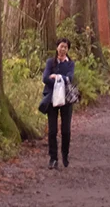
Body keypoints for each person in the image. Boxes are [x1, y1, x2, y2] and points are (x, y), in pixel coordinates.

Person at [41, 38, 75, 169]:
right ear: (57, 48)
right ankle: (53, 158)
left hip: (66, 99)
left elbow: (70, 78)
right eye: (61, 46)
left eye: (65, 47)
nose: (63, 49)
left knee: (66, 130)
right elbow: (45, 78)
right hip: (51, 99)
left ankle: (65, 154)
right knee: (52, 130)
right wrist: (58, 79)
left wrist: (56, 77)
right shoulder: (51, 62)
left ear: (67, 49)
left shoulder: (70, 64)